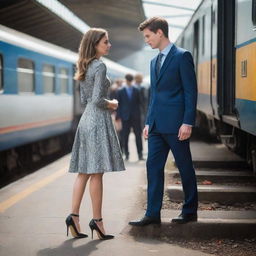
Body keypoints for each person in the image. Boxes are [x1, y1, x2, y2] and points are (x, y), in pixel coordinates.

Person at [129, 17, 198, 226]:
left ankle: (189, 211)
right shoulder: (153, 61)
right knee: (153, 168)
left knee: (185, 167)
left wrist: (188, 122)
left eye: (148, 36)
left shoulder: (182, 56)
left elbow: (190, 91)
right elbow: (154, 96)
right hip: (157, 126)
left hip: (177, 126)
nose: (146, 40)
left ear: (160, 33)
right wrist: (148, 122)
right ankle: (152, 213)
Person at [66, 28, 125, 240]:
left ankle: (73, 217)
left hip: (85, 120)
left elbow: (85, 99)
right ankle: (97, 222)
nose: (109, 45)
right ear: (95, 44)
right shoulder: (100, 65)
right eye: (105, 42)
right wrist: (113, 103)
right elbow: (99, 100)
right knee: (97, 172)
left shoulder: (84, 65)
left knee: (83, 172)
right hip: (97, 120)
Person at [116, 74, 143, 161]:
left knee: (138, 136)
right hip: (125, 117)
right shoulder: (120, 91)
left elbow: (141, 103)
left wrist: (141, 114)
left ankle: (140, 154)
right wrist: (118, 116)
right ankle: (126, 154)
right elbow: (118, 105)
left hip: (135, 116)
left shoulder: (137, 90)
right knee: (125, 136)